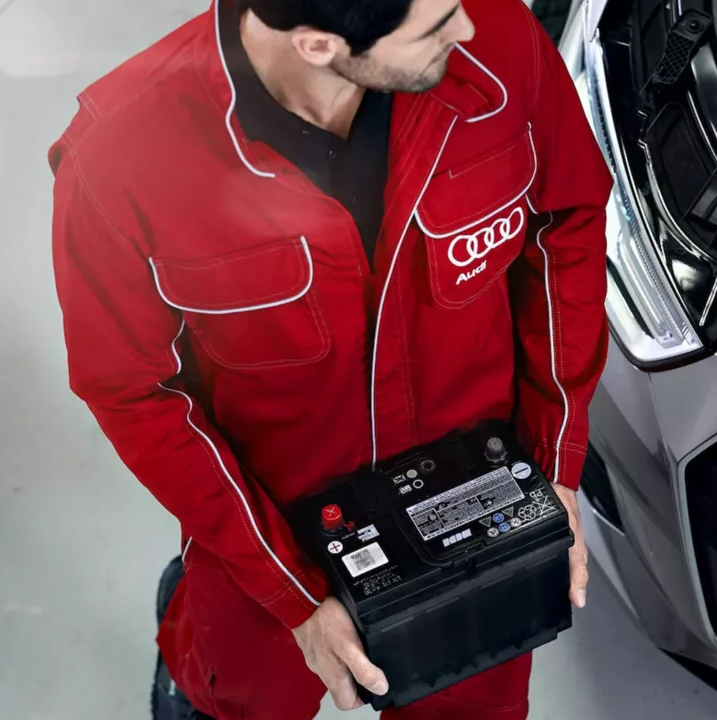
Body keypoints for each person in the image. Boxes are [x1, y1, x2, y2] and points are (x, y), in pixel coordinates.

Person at [47, 0, 612, 717]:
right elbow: (132, 390)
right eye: (436, 28)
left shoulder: (496, 38)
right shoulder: (122, 160)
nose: (468, 31)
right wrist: (292, 591)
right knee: (240, 696)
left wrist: (554, 462)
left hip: (473, 497)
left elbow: (567, 223)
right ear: (318, 43)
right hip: (269, 532)